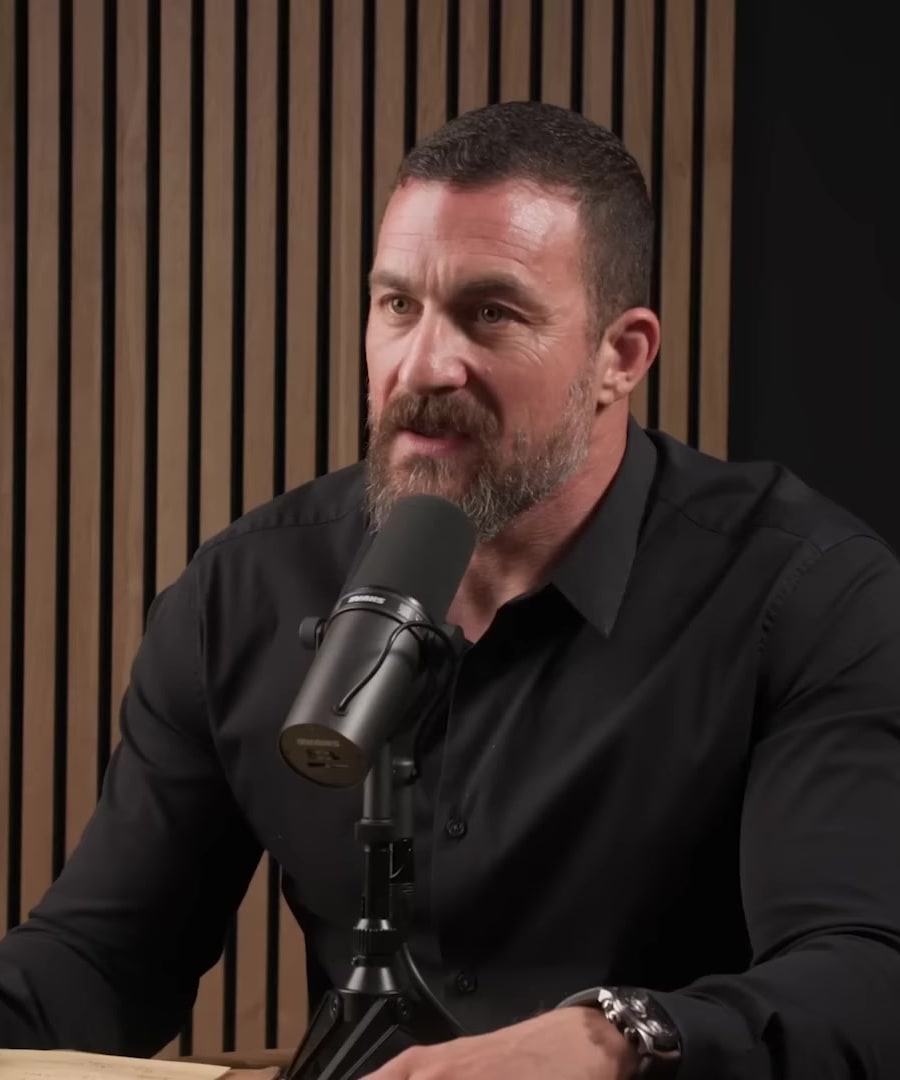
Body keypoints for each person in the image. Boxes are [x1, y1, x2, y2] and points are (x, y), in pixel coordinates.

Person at [2, 100, 900, 1079]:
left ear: (621, 355)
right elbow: (101, 965)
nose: (423, 365)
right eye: (398, 306)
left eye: (490, 313)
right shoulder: (242, 591)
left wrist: (612, 1038)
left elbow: (864, 980)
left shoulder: (808, 596)